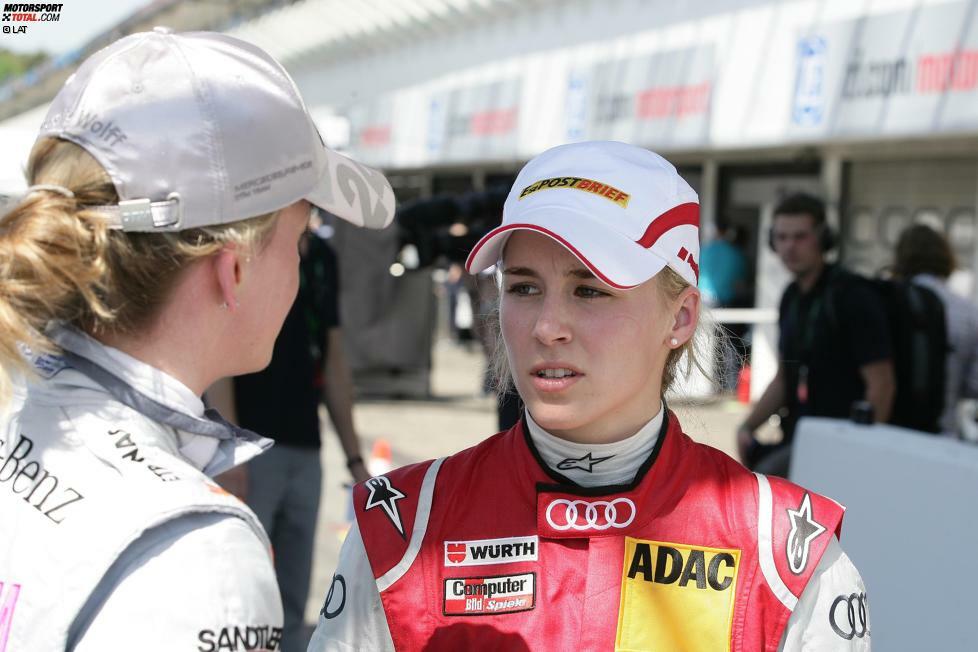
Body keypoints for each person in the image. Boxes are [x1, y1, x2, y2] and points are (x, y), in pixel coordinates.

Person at [308, 142, 871, 650]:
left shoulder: (788, 555)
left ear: (679, 317)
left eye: (590, 290)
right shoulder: (401, 532)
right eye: (524, 287)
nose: (547, 326)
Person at [0, 28, 393, 651]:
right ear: (232, 269)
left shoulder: (21, 421)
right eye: (295, 242)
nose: (298, 266)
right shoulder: (201, 550)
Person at [208, 224, 371, 652]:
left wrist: (355, 459)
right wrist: (230, 453)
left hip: (305, 445)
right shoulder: (245, 242)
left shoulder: (320, 257)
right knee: (238, 594)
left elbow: (332, 356)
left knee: (293, 600)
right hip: (251, 447)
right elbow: (220, 349)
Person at [737, 193, 895, 476]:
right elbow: (785, 378)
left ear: (823, 240)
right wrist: (747, 427)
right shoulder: (791, 297)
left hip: (841, 446)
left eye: (800, 237)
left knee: (767, 477)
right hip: (800, 436)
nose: (789, 247)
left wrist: (861, 459)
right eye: (782, 237)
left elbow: (881, 385)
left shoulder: (852, 296)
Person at [892, 224, 978, 437]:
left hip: (894, 432)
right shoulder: (968, 311)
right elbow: (974, 384)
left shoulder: (888, 303)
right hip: (944, 435)